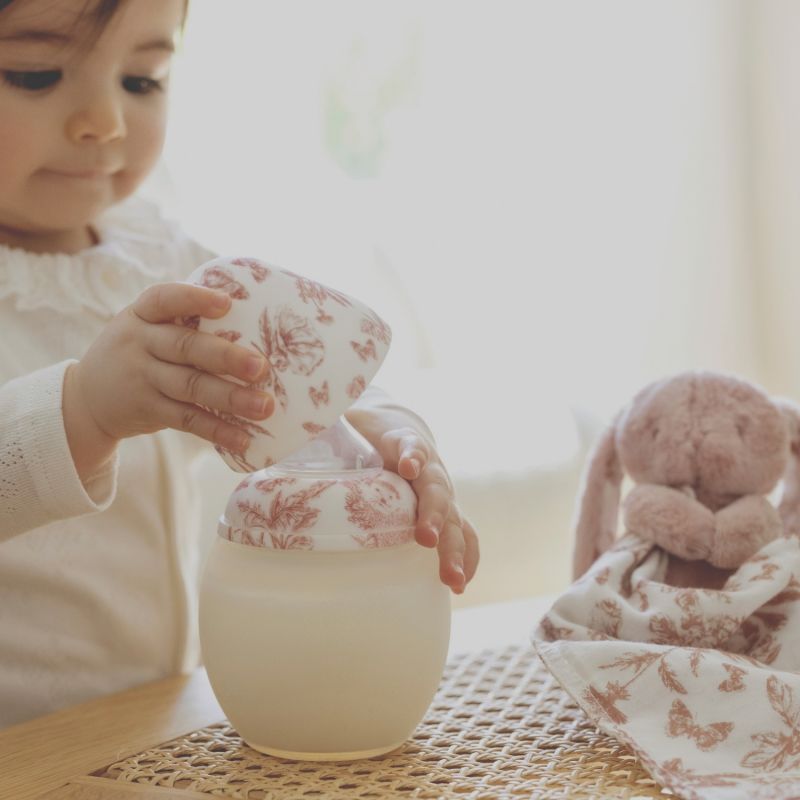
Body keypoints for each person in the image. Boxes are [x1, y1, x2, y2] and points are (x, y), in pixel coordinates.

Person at [0, 0, 479, 728]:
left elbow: (290, 375)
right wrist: (83, 412)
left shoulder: (162, 258)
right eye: (33, 74)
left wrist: (380, 426)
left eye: (141, 79)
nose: (106, 121)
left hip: (159, 719)